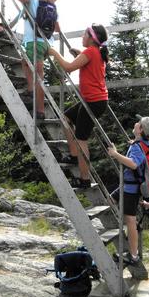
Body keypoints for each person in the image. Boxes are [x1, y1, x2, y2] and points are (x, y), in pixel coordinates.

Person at [48, 24, 109, 188]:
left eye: (84, 34)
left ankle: (84, 179)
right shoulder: (95, 52)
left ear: (91, 38)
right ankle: (75, 155)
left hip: (93, 102)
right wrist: (79, 54)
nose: (82, 37)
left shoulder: (90, 52)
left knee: (82, 139)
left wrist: (54, 53)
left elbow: (68, 68)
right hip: (95, 101)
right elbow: (89, 63)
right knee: (65, 117)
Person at [107, 115, 149, 266]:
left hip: (130, 188)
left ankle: (134, 255)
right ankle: (127, 242)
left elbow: (134, 164)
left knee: (130, 220)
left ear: (141, 129)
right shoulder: (143, 144)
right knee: (110, 200)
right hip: (128, 185)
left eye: (139, 123)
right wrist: (133, 143)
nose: (136, 123)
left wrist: (115, 154)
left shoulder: (138, 147)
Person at [14, 0, 60, 119]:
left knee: (35, 73)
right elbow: (57, 30)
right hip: (47, 45)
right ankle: (36, 102)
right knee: (29, 66)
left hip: (33, 42)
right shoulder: (54, 8)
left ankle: (34, 98)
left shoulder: (34, 0)